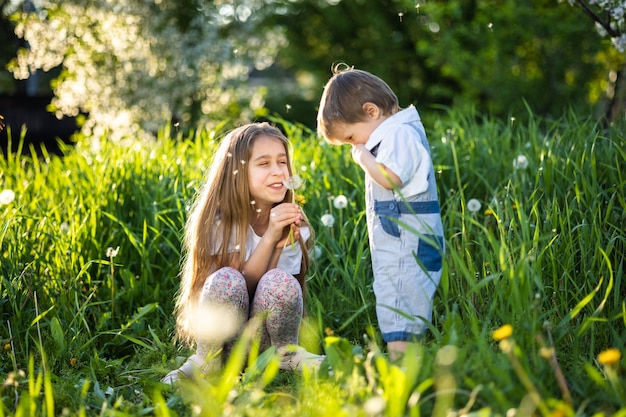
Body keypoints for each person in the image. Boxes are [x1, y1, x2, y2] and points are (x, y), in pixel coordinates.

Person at [162, 122, 324, 384]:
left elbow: (274, 293)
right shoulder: (220, 222)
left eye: (282, 162)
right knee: (226, 278)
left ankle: (287, 356)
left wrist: (280, 239)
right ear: (237, 173)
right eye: (263, 164)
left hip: (267, 343)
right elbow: (240, 288)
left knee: (281, 282)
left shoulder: (293, 224)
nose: (277, 171)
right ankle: (207, 361)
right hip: (225, 339)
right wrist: (270, 236)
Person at [316, 65, 445, 359]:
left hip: (407, 241)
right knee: (396, 291)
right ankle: (403, 356)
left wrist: (364, 158)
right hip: (400, 239)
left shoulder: (400, 134)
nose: (355, 145)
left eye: (350, 137)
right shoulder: (394, 134)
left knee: (401, 294)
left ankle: (401, 363)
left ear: (372, 111)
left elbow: (390, 178)